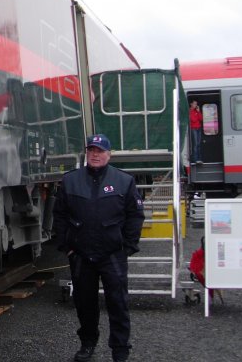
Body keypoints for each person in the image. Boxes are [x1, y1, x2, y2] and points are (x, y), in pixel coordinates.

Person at [54, 134, 145, 362]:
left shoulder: (124, 181)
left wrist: (127, 247)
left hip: (112, 254)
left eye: (100, 150)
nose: (95, 154)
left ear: (109, 154)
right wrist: (67, 246)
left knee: (118, 304)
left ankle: (120, 350)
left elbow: (135, 215)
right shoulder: (70, 181)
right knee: (85, 304)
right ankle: (87, 344)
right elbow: (60, 215)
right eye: (92, 150)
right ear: (87, 153)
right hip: (81, 254)